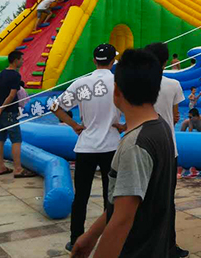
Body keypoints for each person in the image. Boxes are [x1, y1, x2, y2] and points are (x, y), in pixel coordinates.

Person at [71, 48, 175, 258]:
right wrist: (91, 235)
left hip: (136, 250)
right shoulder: (160, 126)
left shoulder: (134, 145)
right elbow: (122, 200)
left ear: (116, 91)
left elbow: (122, 219)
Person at [51, 44, 122, 253]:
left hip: (86, 146)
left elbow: (56, 107)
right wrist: (124, 126)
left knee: (81, 196)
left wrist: (74, 125)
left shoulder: (81, 83)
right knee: (111, 196)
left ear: (94, 60)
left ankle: (75, 239)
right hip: (111, 146)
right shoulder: (119, 83)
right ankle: (110, 239)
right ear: (112, 61)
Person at [145, 42, 189, 258]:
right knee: (166, 200)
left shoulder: (137, 84)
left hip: (142, 147)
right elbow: (176, 115)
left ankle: (144, 245)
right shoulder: (173, 84)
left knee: (142, 199)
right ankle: (169, 247)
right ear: (165, 62)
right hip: (168, 148)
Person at [0, 51, 35, 178]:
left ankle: (1, 167)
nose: (23, 61)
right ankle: (18, 169)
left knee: (0, 139)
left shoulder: (1, 74)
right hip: (10, 112)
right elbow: (12, 95)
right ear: (16, 60)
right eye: (21, 59)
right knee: (16, 141)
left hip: (0, 113)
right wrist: (2, 108)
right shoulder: (15, 75)